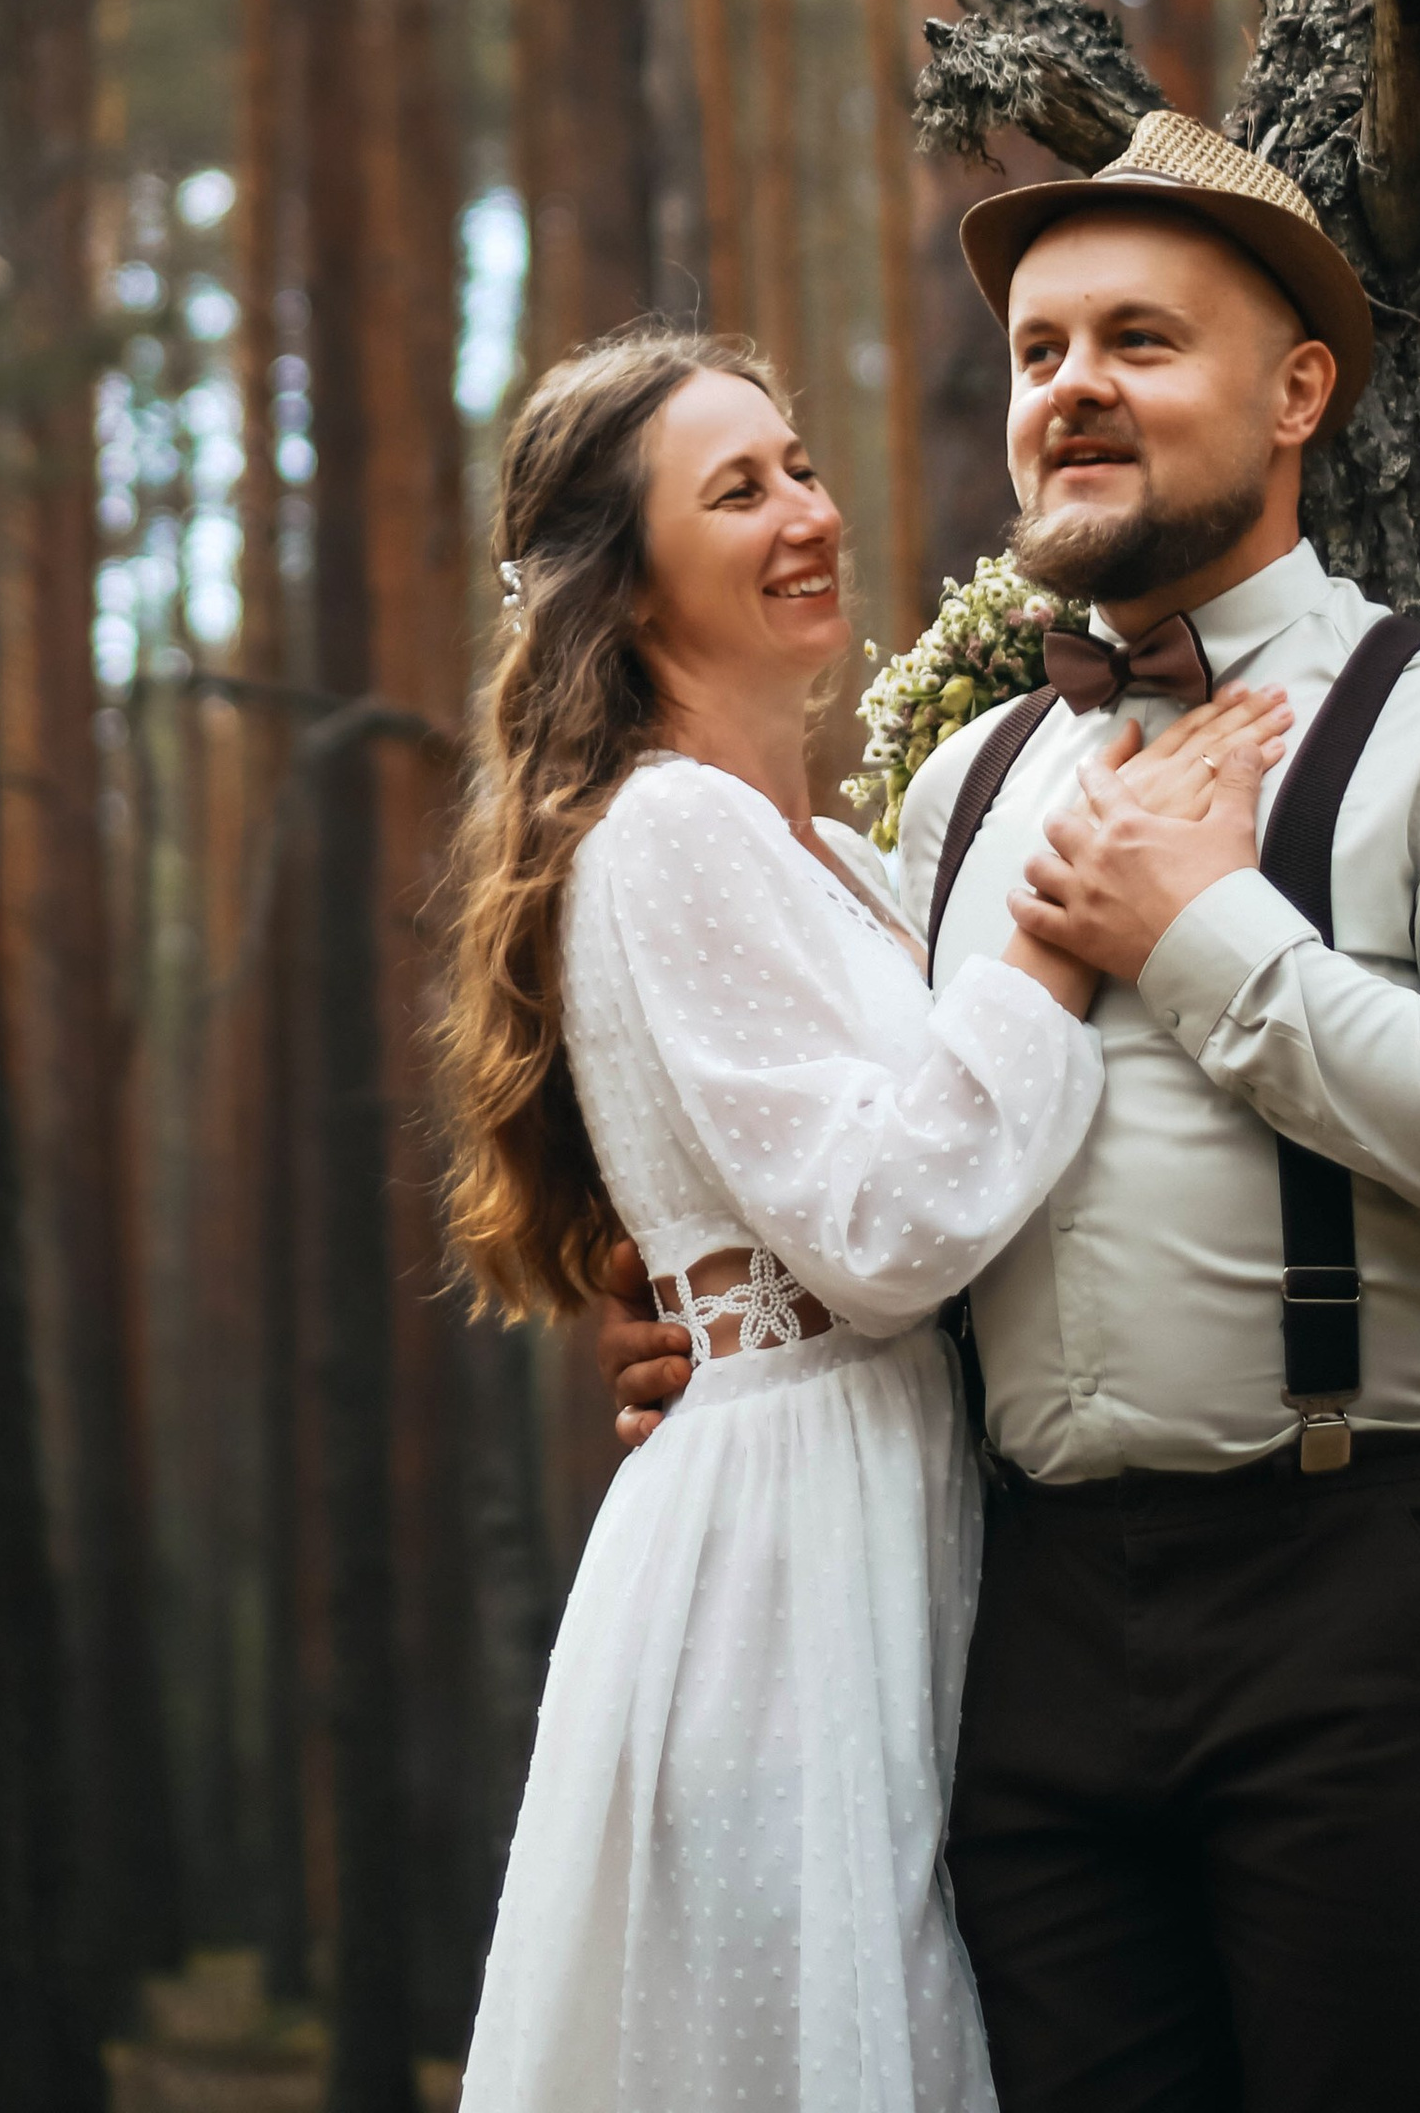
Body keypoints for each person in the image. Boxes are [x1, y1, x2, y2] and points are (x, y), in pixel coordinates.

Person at [603, 113, 1420, 2113]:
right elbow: (906, 1178)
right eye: (1034, 353)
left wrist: (1204, 947)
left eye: (1135, 344)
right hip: (1024, 1634)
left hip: (1369, 1594)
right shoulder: (956, 795)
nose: (1070, 389)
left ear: (1292, 396)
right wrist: (731, 1342)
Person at [439, 323, 1285, 2113]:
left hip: (888, 1488)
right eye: (735, 490)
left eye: (799, 464)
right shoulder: (668, 830)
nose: (803, 510)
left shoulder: (824, 851)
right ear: (627, 579)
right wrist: (1062, 938)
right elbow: (887, 1226)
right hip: (793, 1555)